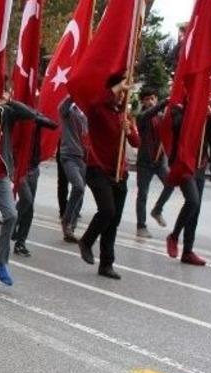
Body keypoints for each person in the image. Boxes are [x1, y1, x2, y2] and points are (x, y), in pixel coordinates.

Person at [0, 92, 57, 290]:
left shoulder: (6, 112)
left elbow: (30, 114)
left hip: (2, 176)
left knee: (11, 215)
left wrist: (9, 100)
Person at [75, 75, 140, 280]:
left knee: (113, 221)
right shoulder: (98, 110)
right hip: (98, 168)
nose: (122, 95)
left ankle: (106, 264)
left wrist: (129, 131)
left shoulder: (124, 114)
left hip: (119, 172)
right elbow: (94, 103)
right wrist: (117, 86)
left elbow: (136, 142)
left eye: (124, 92)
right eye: (120, 91)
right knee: (107, 210)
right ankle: (86, 241)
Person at [165, 100, 211, 266]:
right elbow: (177, 126)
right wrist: (194, 112)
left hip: (200, 164)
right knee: (192, 200)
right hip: (183, 164)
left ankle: (187, 251)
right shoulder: (178, 110)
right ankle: (174, 236)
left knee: (195, 209)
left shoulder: (207, 114)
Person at [134, 88, 173, 238]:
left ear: (156, 99)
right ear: (142, 102)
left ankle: (157, 210)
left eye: (152, 98)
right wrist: (165, 102)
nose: (150, 102)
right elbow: (149, 114)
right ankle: (141, 226)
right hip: (145, 163)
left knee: (170, 184)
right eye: (147, 99)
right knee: (142, 194)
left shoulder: (162, 117)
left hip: (160, 162)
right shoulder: (141, 117)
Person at [58, 96, 88, 243]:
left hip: (83, 157)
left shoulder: (85, 113)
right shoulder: (69, 110)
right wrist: (73, 93)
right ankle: (66, 220)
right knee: (78, 186)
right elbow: (62, 107)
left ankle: (70, 229)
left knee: (80, 193)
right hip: (69, 155)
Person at [12, 125, 44, 257]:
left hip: (33, 167)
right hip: (19, 167)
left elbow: (53, 125)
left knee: (29, 209)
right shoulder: (20, 118)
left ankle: (20, 243)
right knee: (26, 199)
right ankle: (12, 223)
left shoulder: (38, 119)